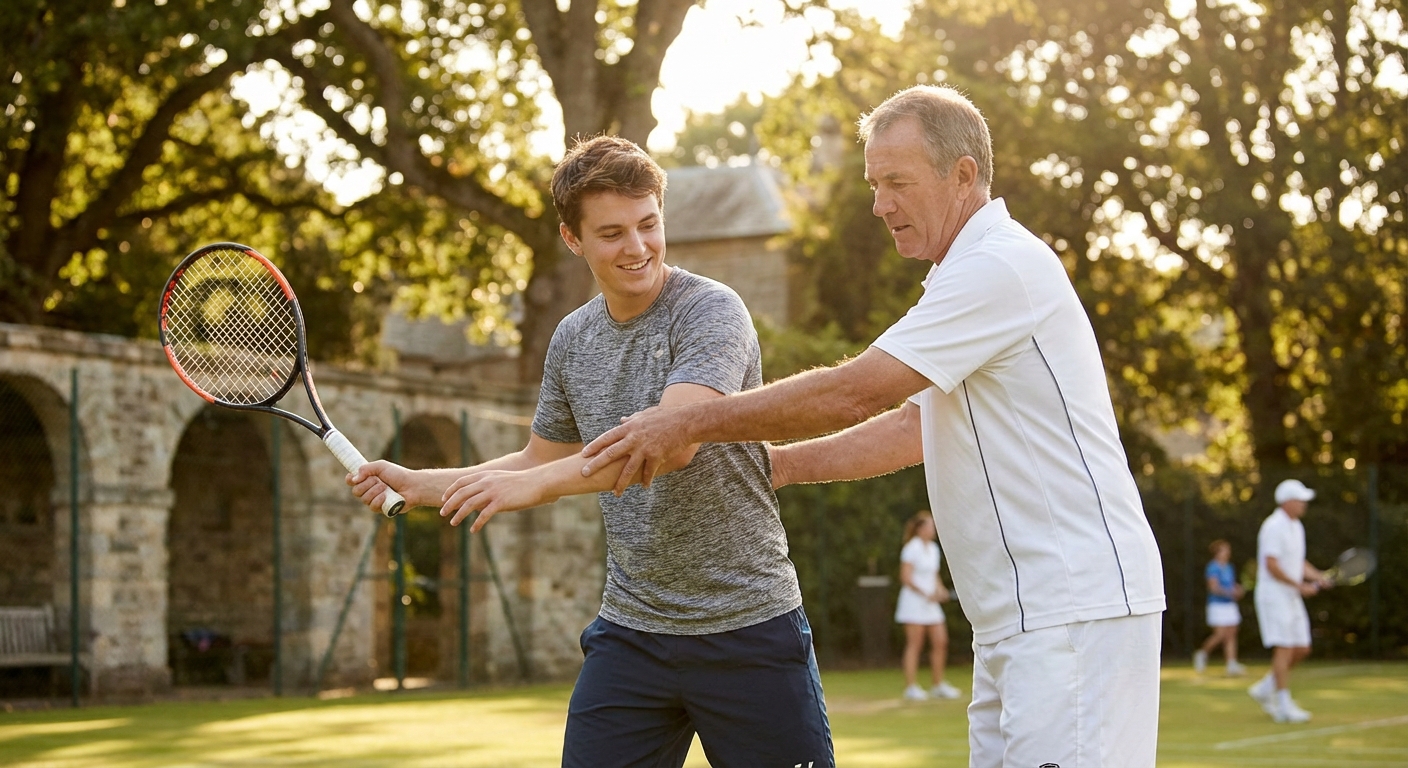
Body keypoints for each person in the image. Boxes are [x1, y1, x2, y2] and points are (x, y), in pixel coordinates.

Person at [581, 84, 1166, 766]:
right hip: (1019, 618)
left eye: (897, 182)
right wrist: (776, 465)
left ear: (964, 176)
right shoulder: (961, 278)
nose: (878, 203)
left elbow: (856, 392)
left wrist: (684, 425)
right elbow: (909, 430)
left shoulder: (996, 267)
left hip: (1072, 609)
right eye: (873, 183)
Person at [348, 136, 834, 768]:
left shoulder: (713, 311)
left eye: (648, 225)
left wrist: (543, 485)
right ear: (573, 239)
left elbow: (671, 444)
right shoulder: (573, 338)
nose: (636, 248)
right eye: (612, 234)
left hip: (745, 626)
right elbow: (533, 459)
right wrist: (421, 482)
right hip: (632, 635)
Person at [1248, 478, 1327, 724]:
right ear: (1287, 502)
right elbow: (1272, 565)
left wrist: (1319, 577)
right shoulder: (1273, 526)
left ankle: (1265, 688)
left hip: (1290, 594)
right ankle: (1283, 705)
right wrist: (1300, 586)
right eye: (1300, 500)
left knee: (1302, 648)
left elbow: (1298, 563)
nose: (1304, 504)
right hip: (1273, 595)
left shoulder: (1297, 527)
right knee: (1284, 648)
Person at [894, 511, 961, 701]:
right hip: (913, 602)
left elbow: (934, 576)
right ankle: (911, 687)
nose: (934, 529)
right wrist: (926, 594)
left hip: (930, 604)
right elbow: (905, 577)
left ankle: (938, 684)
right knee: (915, 644)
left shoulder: (933, 549)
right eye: (930, 526)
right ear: (920, 529)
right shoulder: (911, 548)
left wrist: (939, 591)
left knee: (941, 641)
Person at [1194, 539, 1247, 676]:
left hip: (1230, 605)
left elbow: (1231, 584)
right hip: (1217, 605)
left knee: (1232, 633)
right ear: (1217, 553)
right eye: (1224, 550)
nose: (1227, 552)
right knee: (1220, 634)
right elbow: (1213, 587)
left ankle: (1231, 664)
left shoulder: (1229, 567)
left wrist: (1237, 589)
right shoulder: (1213, 567)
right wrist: (1230, 592)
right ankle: (1202, 653)